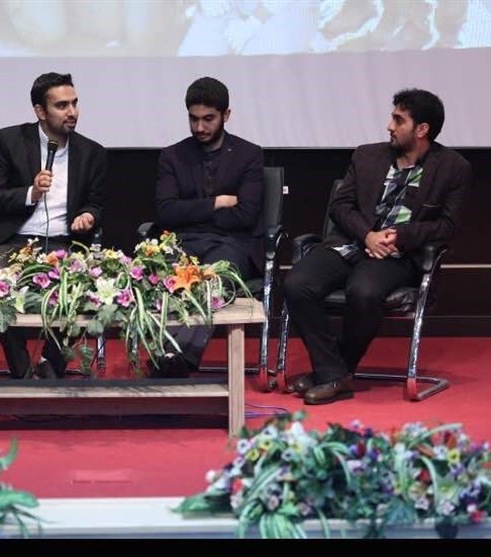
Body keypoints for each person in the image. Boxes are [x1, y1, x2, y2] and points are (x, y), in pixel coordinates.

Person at [283, 88, 471, 405]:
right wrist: (368, 235)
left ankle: (334, 371)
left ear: (422, 129)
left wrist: (401, 236)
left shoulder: (453, 168)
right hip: (352, 242)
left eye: (398, 120)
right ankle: (334, 372)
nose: (389, 126)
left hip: (397, 255)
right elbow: (340, 206)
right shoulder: (367, 156)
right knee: (297, 283)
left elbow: (447, 226)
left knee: (364, 291)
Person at [0, 72, 107, 379]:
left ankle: (50, 363)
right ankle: (21, 370)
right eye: (62, 105)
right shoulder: (9, 141)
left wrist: (88, 215)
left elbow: (96, 203)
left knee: (82, 286)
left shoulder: (92, 152)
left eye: (74, 103)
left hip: (62, 243)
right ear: (40, 111)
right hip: (11, 241)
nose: (72, 112)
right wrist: (30, 193)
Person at [153, 76, 265, 377]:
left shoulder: (249, 155)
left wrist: (190, 211)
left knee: (212, 279)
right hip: (182, 243)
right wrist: (217, 203)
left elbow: (246, 216)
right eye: (194, 119)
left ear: (226, 115)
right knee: (163, 276)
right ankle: (173, 357)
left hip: (230, 244)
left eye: (208, 119)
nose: (200, 127)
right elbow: (166, 213)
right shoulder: (172, 156)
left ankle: (173, 357)